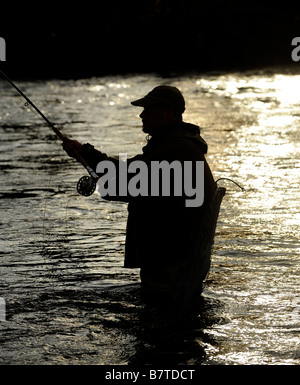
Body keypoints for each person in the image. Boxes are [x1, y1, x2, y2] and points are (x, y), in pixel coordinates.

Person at [63, 85, 217, 313]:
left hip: (171, 267)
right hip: (172, 263)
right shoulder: (174, 146)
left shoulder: (176, 151)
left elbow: (126, 181)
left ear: (167, 113)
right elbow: (128, 178)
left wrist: (87, 155)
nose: (141, 114)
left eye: (148, 109)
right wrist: (85, 153)